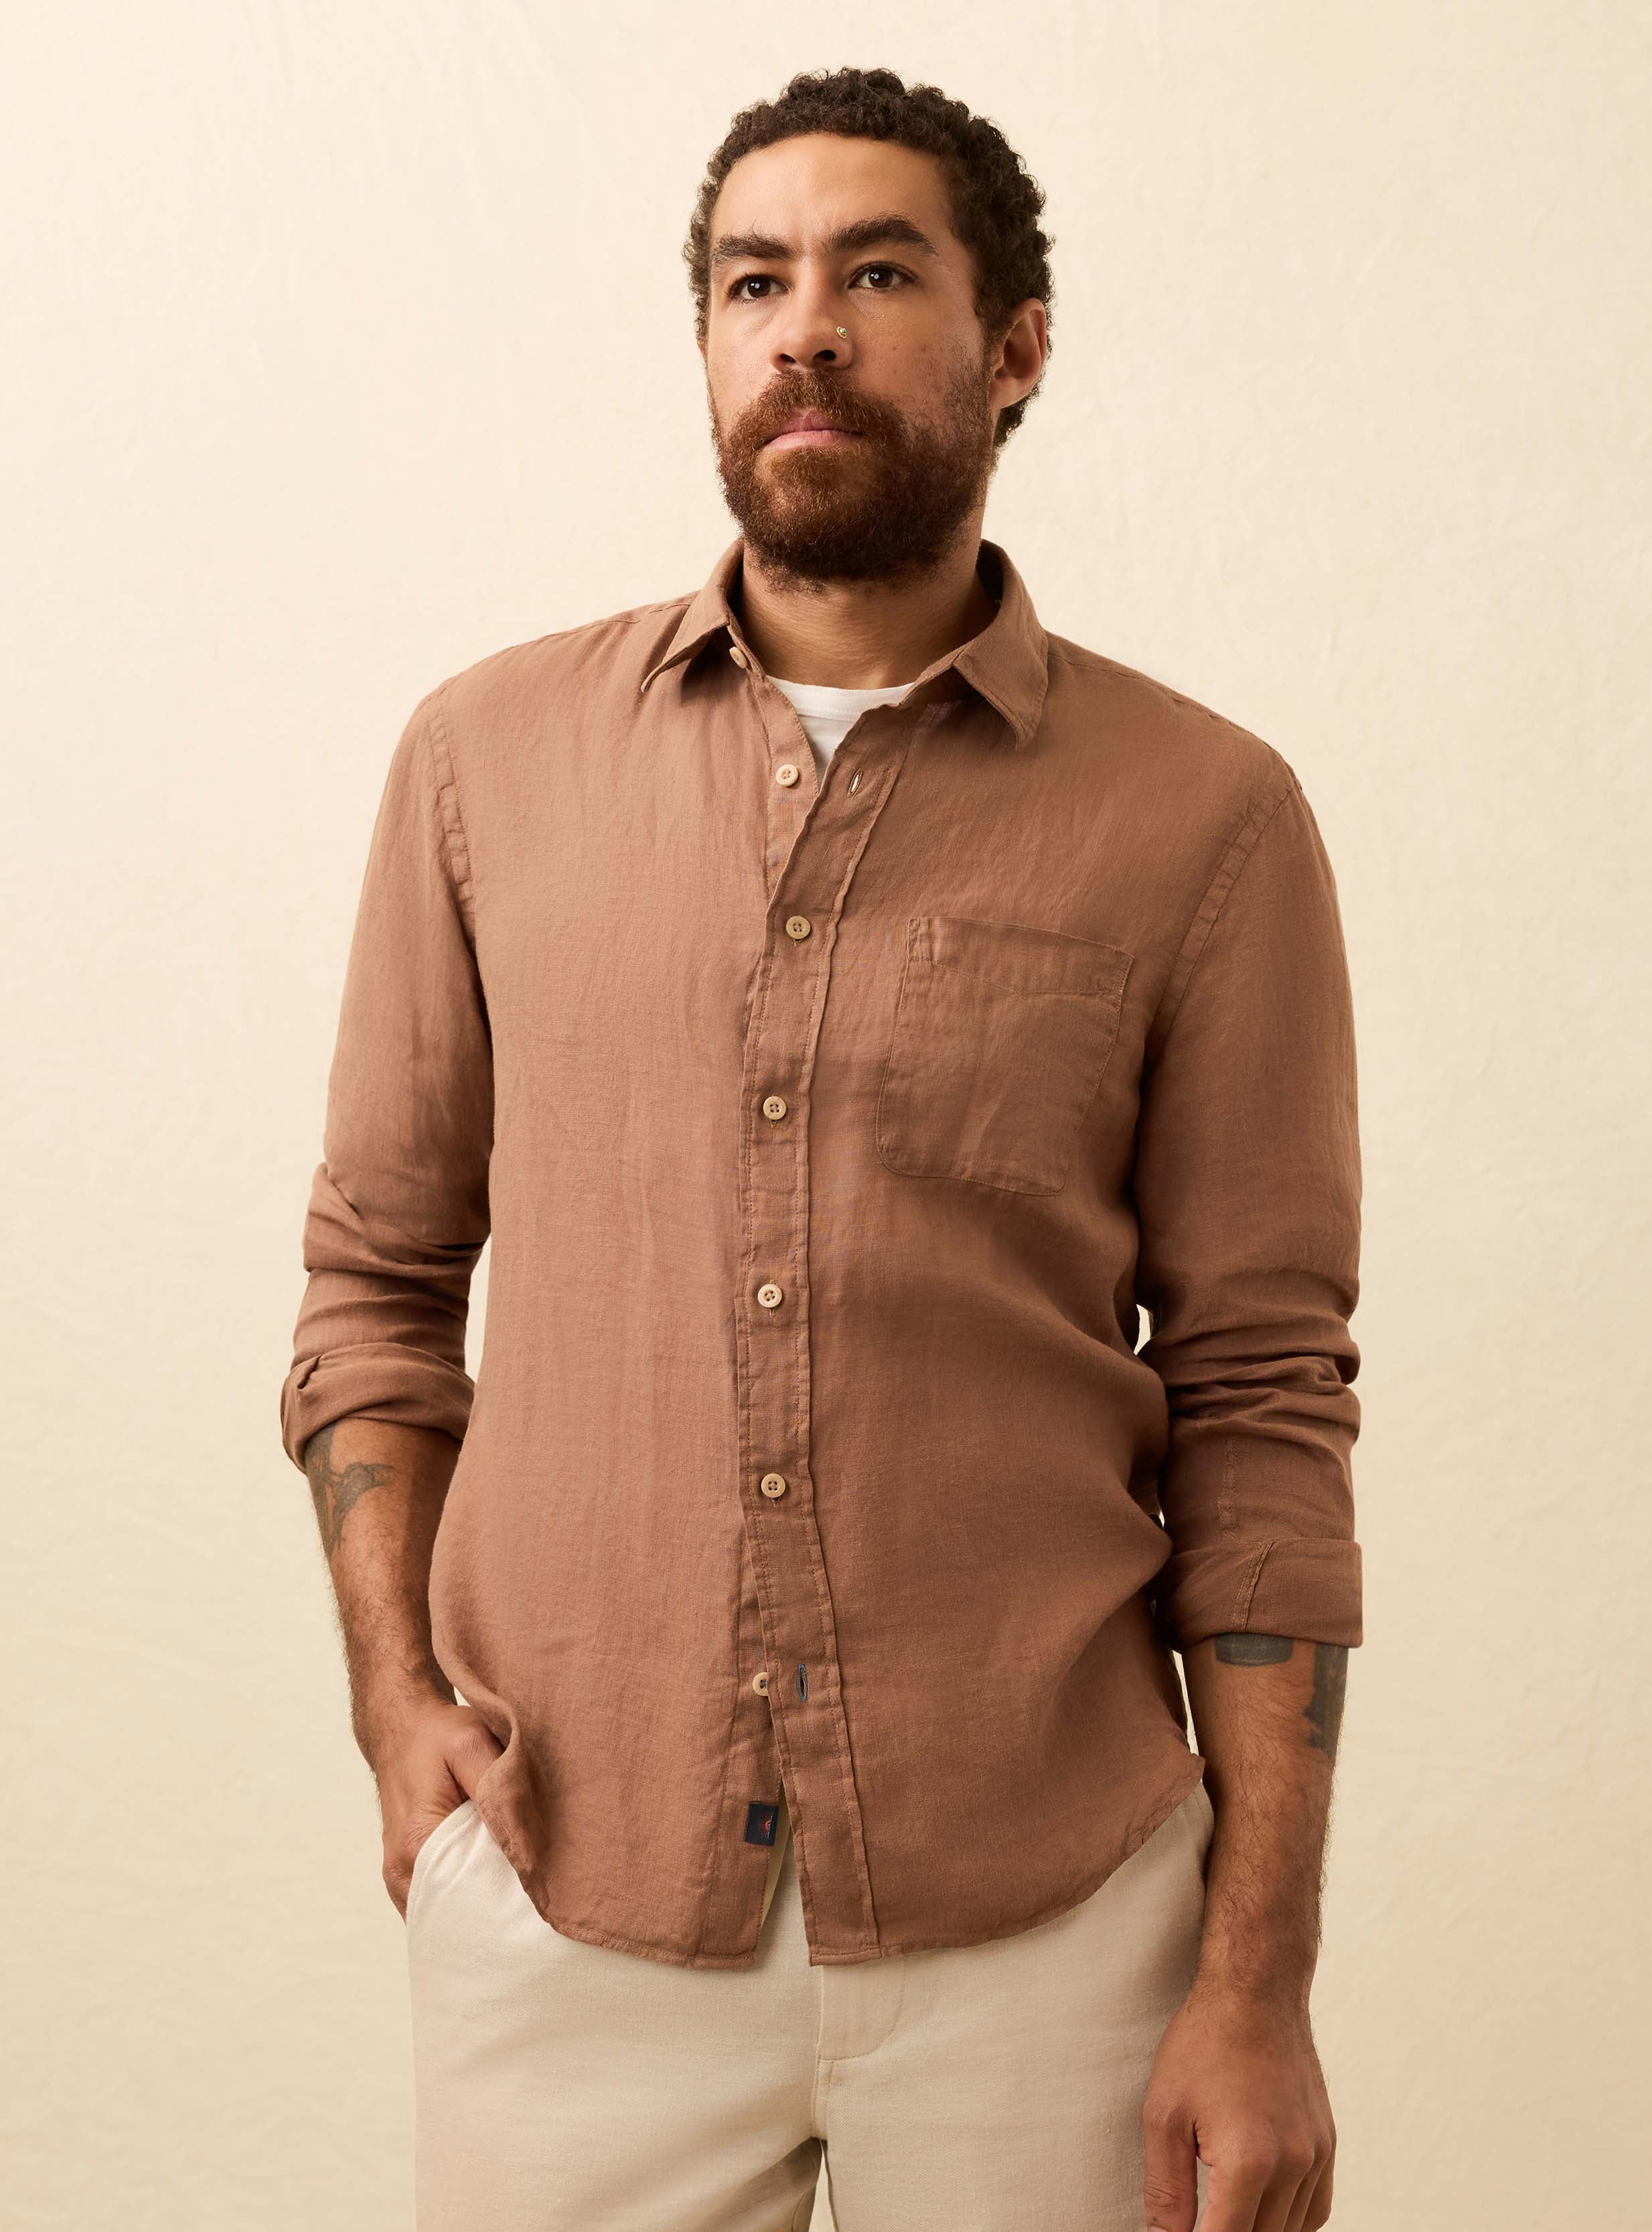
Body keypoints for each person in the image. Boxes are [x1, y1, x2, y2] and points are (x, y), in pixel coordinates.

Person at [281, 64, 1362, 2232]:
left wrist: (1256, 1981)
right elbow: (378, 1289)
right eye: (750, 279)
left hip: (1053, 1923)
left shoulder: (1205, 821)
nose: (805, 328)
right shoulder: (486, 766)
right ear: (701, 342)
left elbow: (1259, 1403)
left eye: (879, 273)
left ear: (1013, 347)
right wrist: (399, 1710)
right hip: (572, 1911)